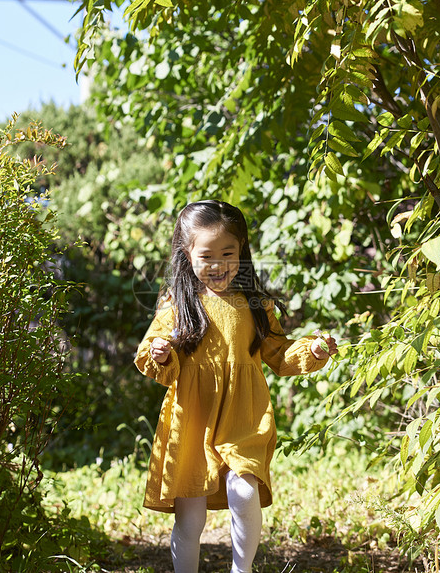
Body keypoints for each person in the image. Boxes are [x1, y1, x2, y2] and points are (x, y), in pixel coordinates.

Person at [134, 200, 338, 573]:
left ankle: (241, 571)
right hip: (193, 418)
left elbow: (279, 353)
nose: (218, 265)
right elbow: (152, 353)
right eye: (206, 255)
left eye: (227, 252)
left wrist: (312, 349)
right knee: (190, 519)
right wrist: (161, 353)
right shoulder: (177, 302)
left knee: (244, 493)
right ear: (187, 253)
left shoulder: (255, 303)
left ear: (242, 249)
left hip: (244, 413)